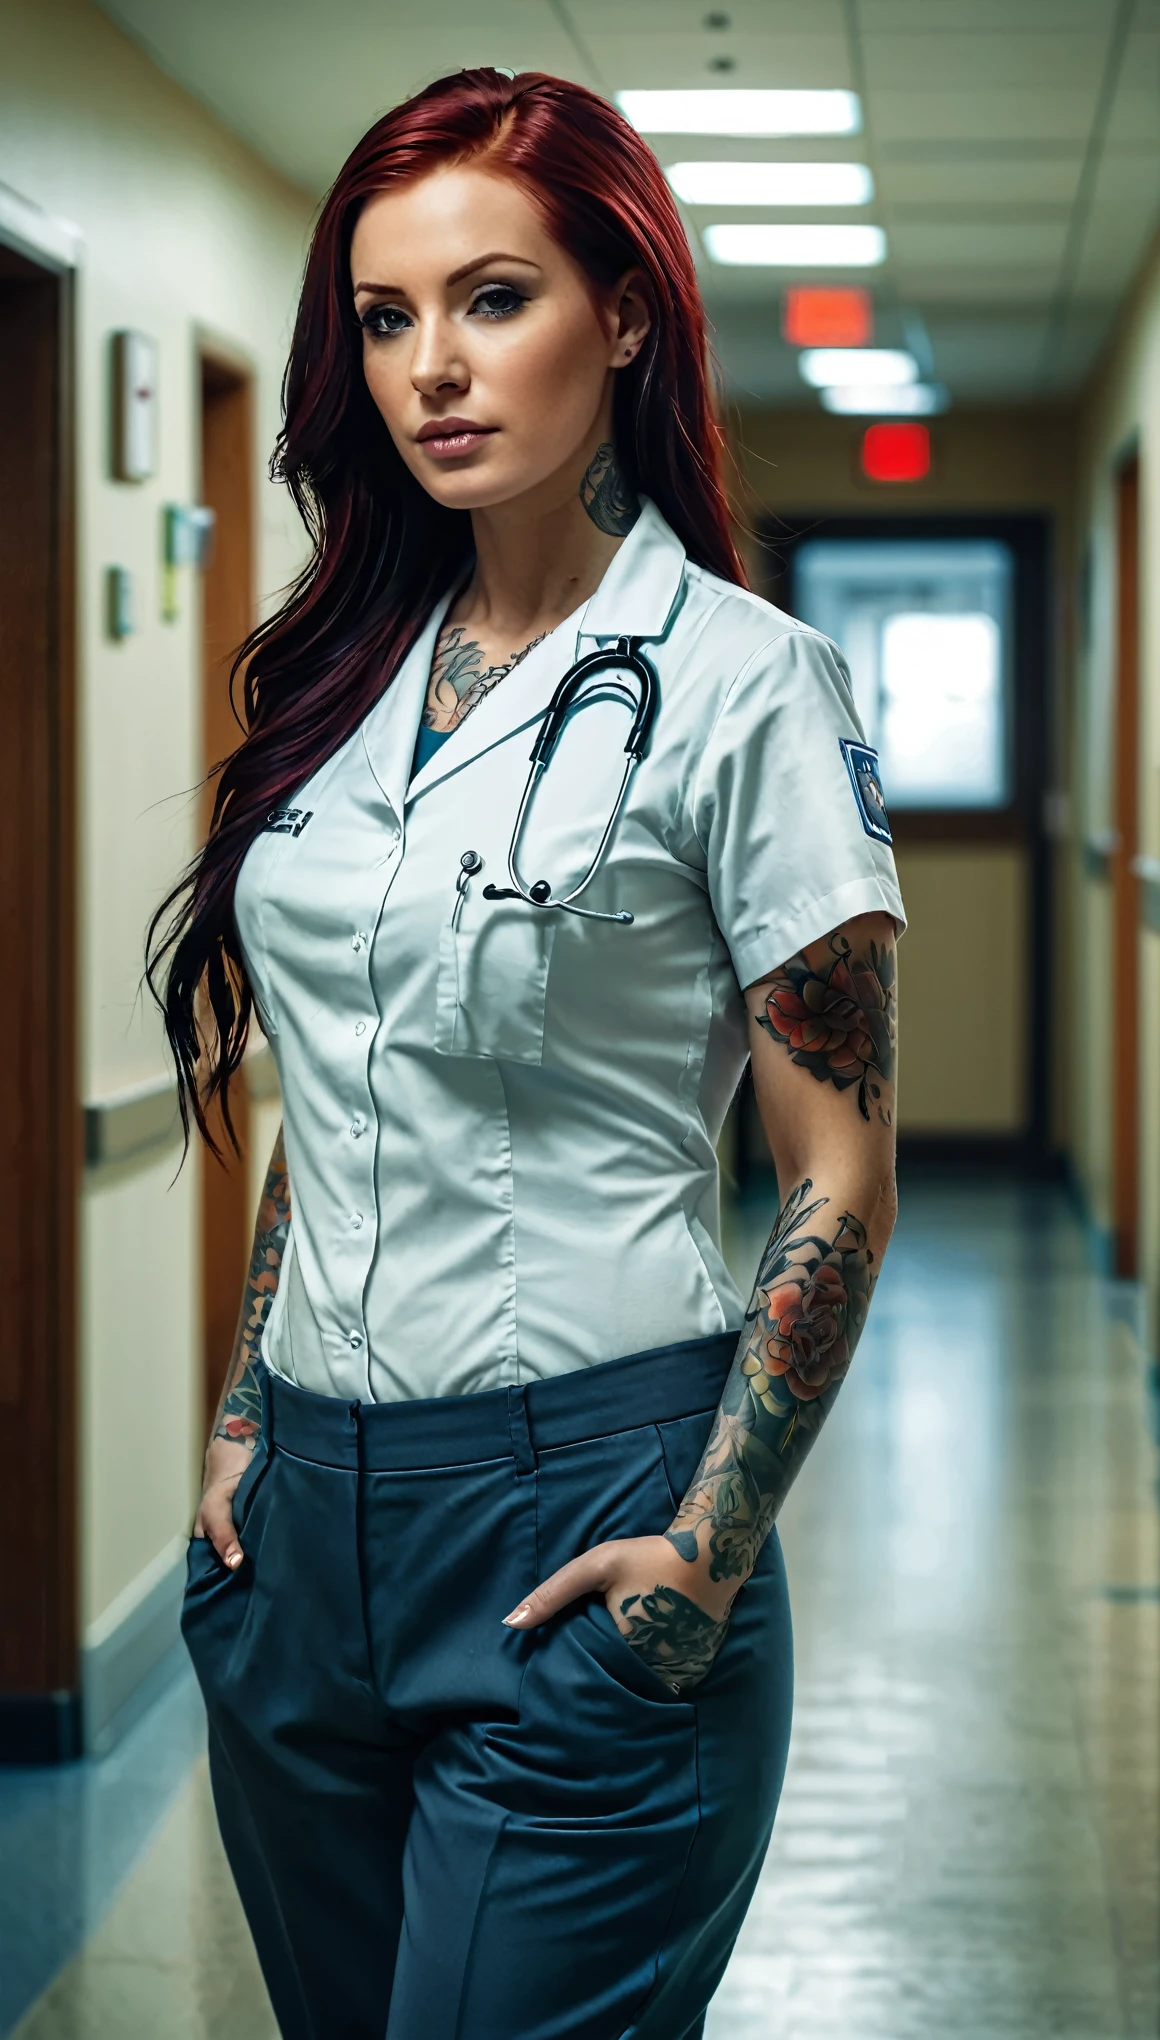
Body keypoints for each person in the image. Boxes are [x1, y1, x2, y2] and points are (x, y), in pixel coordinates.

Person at [149, 67, 904, 2040]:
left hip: (589, 1510)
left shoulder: (745, 685)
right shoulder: (332, 680)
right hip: (304, 1532)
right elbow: (337, 1084)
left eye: (492, 299)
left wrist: (705, 1556)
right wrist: (244, 1412)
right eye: (384, 320)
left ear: (623, 312)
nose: (431, 368)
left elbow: (838, 1170)